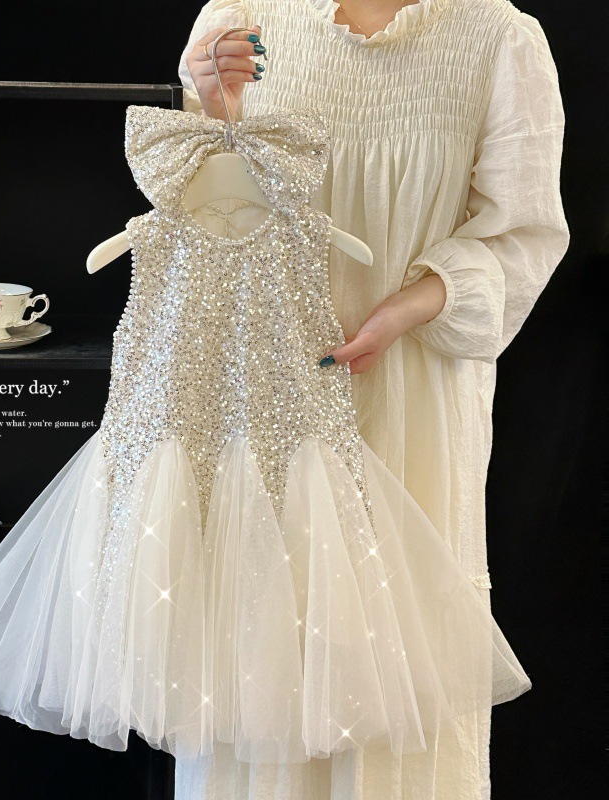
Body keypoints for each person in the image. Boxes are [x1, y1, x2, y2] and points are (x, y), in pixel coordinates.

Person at [177, 0, 569, 797]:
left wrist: (407, 307)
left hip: (414, 393)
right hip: (266, 389)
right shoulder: (240, 18)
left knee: (398, 645)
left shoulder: (498, 37)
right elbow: (194, 234)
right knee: (266, 633)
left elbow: (524, 235)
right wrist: (215, 114)